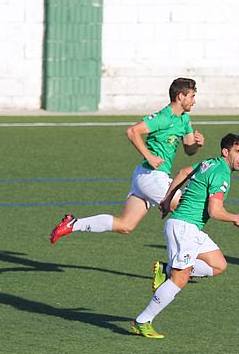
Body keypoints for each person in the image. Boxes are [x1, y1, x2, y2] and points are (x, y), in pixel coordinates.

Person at [49, 77, 205, 243]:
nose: (194, 101)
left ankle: (73, 224)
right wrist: (149, 156)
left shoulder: (184, 119)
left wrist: (197, 144)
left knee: (125, 225)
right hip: (152, 175)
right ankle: (190, 257)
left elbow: (189, 149)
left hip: (145, 176)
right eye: (192, 96)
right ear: (180, 96)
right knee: (186, 208)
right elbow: (132, 132)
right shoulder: (163, 117)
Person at [129, 134, 239, 339]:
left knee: (218, 265)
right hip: (184, 228)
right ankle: (142, 321)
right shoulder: (221, 174)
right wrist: (235, 218)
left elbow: (184, 171)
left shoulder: (210, 163)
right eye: (238, 152)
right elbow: (215, 211)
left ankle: (167, 269)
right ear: (225, 152)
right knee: (180, 278)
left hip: (191, 229)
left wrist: (168, 199)